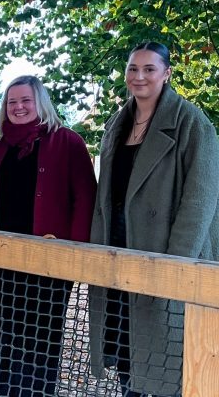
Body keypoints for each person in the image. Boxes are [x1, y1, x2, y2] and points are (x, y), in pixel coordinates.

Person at [88, 42, 219, 396]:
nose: (139, 76)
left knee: (166, 359)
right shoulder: (118, 122)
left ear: (166, 73)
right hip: (119, 249)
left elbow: (200, 202)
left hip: (164, 255)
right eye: (133, 69)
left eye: (149, 69)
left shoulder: (192, 123)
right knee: (128, 348)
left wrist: (174, 264)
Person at [0, 75, 97, 396]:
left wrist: (74, 253)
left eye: (25, 100)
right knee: (0, 333)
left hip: (48, 264)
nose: (19, 107)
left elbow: (85, 198)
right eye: (12, 102)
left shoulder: (68, 142)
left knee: (41, 337)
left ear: (40, 103)